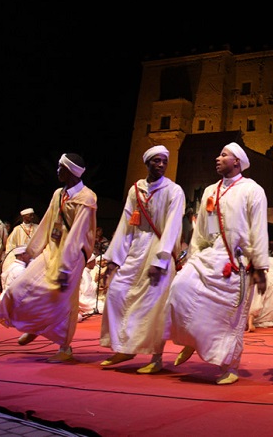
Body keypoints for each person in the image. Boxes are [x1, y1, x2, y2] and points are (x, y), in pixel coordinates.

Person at [167, 142, 269, 385]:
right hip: (209, 254)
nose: (218, 158)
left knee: (230, 318)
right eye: (219, 153)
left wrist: (260, 266)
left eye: (224, 155)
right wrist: (194, 257)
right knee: (180, 289)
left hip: (237, 260)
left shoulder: (252, 190)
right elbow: (204, 227)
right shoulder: (211, 190)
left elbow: (258, 230)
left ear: (237, 162)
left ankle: (230, 366)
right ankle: (193, 340)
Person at [0, 153, 97, 362]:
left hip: (72, 257)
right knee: (20, 287)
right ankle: (35, 325)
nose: (57, 171)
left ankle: (65, 349)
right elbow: (47, 223)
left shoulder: (87, 198)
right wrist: (31, 251)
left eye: (60, 168)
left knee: (64, 303)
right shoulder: (59, 193)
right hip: (51, 250)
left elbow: (77, 234)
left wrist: (66, 268)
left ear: (70, 171)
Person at [98, 145, 185, 374]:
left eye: (164, 161)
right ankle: (125, 347)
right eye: (156, 161)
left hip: (158, 251)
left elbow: (173, 227)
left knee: (154, 305)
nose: (161, 165)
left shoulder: (174, 190)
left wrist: (161, 261)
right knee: (116, 293)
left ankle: (156, 358)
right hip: (136, 249)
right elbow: (126, 224)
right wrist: (114, 258)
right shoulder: (135, 189)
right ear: (147, 163)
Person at [2, 208, 38, 273]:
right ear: (24, 217)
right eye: (30, 215)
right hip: (21, 257)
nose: (32, 217)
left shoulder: (37, 227)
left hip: (34, 256)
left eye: (33, 215)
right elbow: (10, 244)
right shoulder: (17, 229)